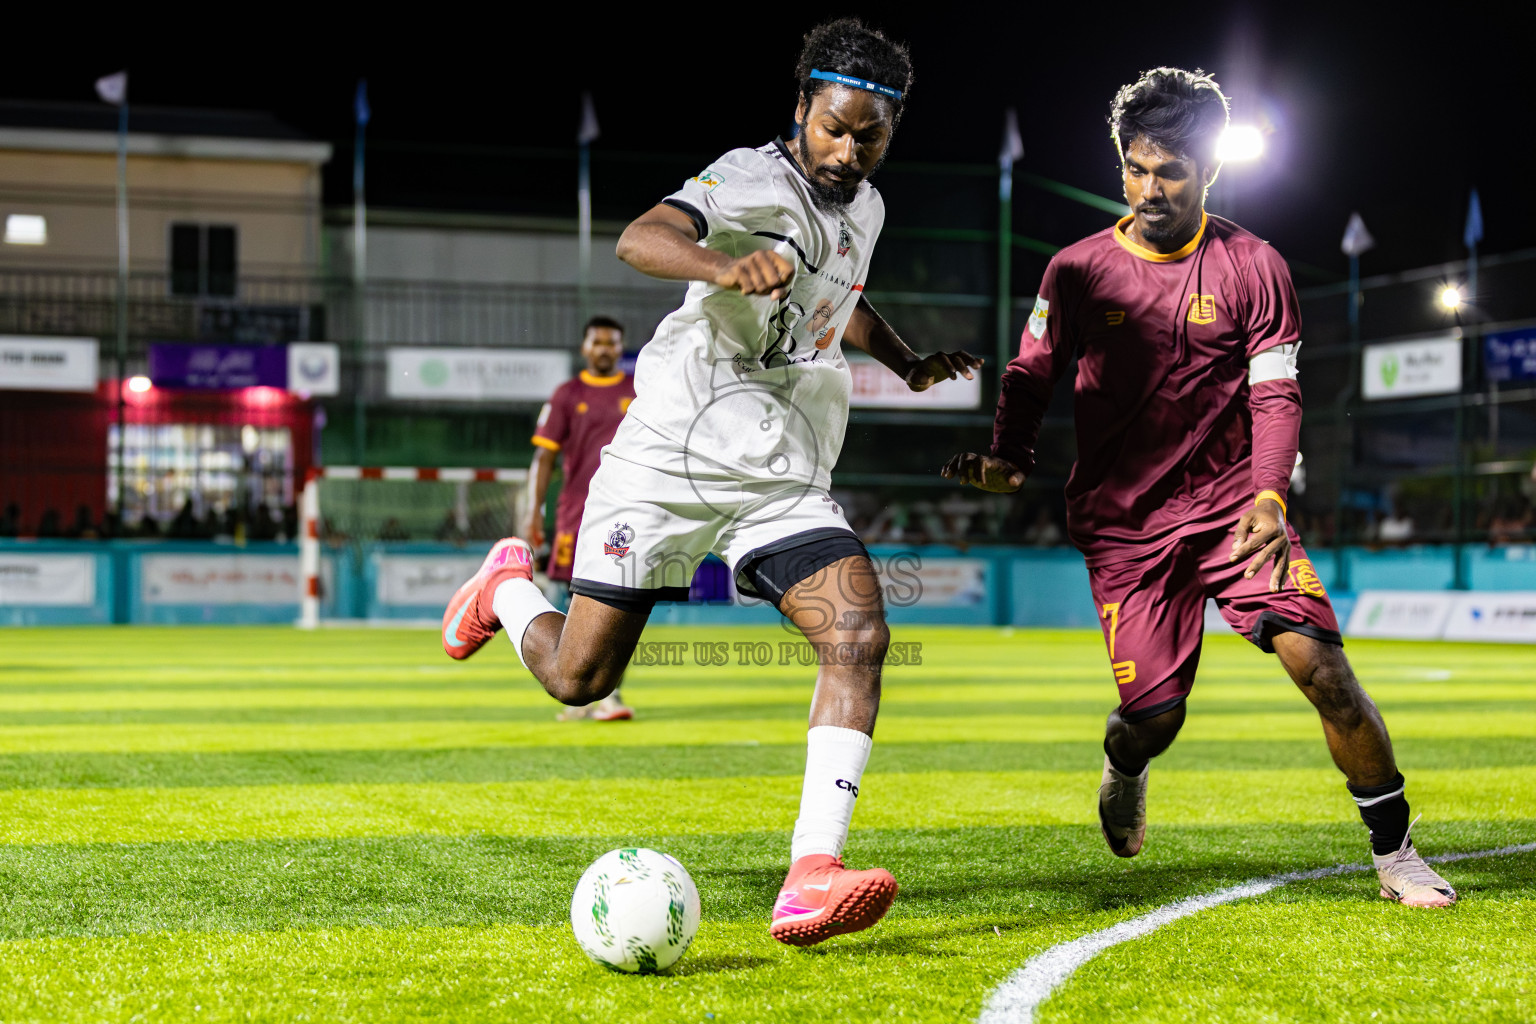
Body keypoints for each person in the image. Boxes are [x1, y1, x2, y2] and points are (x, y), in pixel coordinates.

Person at [442, 18, 981, 946]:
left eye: (870, 137)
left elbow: (839, 297)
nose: (848, 152)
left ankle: (812, 871)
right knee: (580, 678)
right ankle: (507, 586)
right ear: (802, 109)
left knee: (858, 631)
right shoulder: (747, 178)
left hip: (780, 473)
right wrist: (724, 263)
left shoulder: (869, 210)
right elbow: (640, 239)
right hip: (669, 459)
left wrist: (907, 361)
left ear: (892, 132)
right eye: (834, 128)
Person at [943, 67, 1455, 908]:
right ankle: (1125, 764)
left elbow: (1276, 391)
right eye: (1136, 169)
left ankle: (1396, 853)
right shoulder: (1075, 270)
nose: (1150, 189)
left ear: (1208, 168)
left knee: (1322, 669)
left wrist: (1268, 495)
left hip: (1233, 510)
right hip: (1123, 524)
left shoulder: (1254, 265)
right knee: (1156, 716)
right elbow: (1030, 376)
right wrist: (1007, 456)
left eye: (1170, 171)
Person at [525, 315, 638, 722]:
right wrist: (532, 511)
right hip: (577, 513)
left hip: (628, 511)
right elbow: (544, 456)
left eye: (613, 342)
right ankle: (580, 692)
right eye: (598, 342)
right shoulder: (567, 395)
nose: (605, 349)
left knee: (620, 599)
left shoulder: (638, 391)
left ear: (620, 348)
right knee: (574, 601)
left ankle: (607, 694)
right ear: (585, 348)